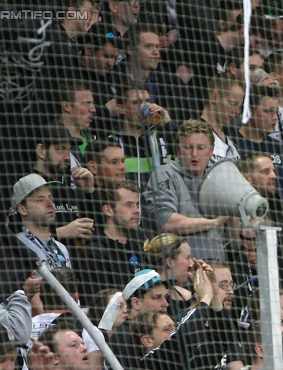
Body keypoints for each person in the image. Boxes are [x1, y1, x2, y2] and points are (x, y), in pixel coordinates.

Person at [144, 119, 228, 260]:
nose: (194, 154)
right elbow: (166, 223)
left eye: (201, 148)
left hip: (215, 268)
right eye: (188, 147)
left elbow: (232, 239)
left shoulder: (218, 180)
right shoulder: (165, 175)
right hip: (179, 270)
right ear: (177, 150)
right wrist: (214, 222)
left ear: (211, 151)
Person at [76, 181, 145, 305]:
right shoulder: (94, 252)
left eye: (137, 205)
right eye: (129, 205)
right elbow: (98, 306)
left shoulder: (139, 244)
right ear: (108, 210)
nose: (137, 210)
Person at [10, 173, 73, 271]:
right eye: (40, 200)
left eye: (50, 198)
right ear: (23, 209)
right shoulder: (17, 247)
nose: (50, 204)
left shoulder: (62, 248)